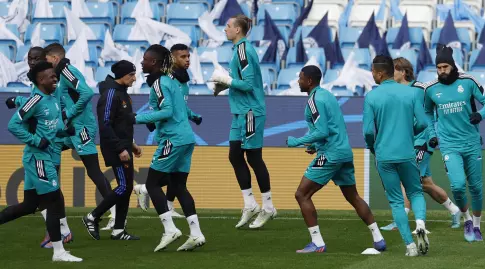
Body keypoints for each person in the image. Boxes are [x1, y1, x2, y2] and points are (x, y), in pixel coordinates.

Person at [286, 65, 386, 253]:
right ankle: (378, 239)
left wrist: (297, 141)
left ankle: (317, 242)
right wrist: (315, 146)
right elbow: (331, 127)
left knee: (302, 194)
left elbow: (322, 130)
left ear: (309, 81)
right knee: (353, 197)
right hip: (344, 152)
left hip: (330, 155)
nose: (298, 81)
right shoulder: (328, 96)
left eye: (300, 78)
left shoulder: (314, 100)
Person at [1, 61, 82, 262]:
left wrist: (64, 132)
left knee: (29, 205)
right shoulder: (35, 100)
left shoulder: (52, 98)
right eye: (51, 76)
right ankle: (59, 252)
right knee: (52, 201)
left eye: (55, 75)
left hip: (42, 157)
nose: (55, 78)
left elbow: (49, 127)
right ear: (40, 80)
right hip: (39, 159)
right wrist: (36, 141)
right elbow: (13, 125)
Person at [132, 44, 205, 251]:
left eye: (145, 59)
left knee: (152, 184)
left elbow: (166, 111)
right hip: (187, 138)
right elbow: (176, 108)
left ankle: (170, 229)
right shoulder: (173, 82)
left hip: (172, 139)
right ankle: (196, 234)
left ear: (153, 62)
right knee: (179, 186)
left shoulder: (159, 83)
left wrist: (136, 118)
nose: (142, 62)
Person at [210, 14, 276, 229]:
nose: (225, 29)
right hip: (240, 112)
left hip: (250, 112)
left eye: (228, 25)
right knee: (234, 155)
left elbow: (248, 84)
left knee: (254, 157)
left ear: (238, 30)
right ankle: (250, 204)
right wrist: (224, 86)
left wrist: (226, 80)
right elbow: (242, 82)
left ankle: (268, 206)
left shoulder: (243, 50)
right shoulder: (238, 51)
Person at [380, 57, 461, 231]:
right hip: (408, 141)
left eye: (393, 70)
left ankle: (401, 220)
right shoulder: (394, 91)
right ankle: (455, 210)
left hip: (423, 140)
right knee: (426, 183)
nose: (390, 74)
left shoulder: (421, 88)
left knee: (407, 179)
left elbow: (436, 104)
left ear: (403, 71)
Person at [43, 43, 116, 229]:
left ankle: (115, 213)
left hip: (81, 127)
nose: (46, 64)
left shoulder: (67, 71)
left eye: (47, 60)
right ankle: (54, 208)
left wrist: (70, 113)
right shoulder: (61, 74)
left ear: (54, 58)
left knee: (93, 171)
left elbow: (87, 92)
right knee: (52, 147)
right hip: (71, 129)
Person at [363, 55, 429, 256]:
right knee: (416, 192)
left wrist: (372, 146)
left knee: (396, 202)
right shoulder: (410, 93)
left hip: (384, 155)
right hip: (407, 153)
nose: (372, 74)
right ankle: (419, 223)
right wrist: (410, 131)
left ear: (380, 73)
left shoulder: (372, 97)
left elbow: (367, 131)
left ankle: (410, 246)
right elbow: (424, 123)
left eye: (373, 71)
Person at [424, 45, 485, 242]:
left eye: (445, 67)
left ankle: (476, 226)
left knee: (476, 187)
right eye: (438, 67)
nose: (442, 71)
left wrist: (480, 114)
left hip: (471, 142)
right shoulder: (431, 89)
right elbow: (426, 112)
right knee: (458, 186)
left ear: (452, 66)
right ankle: (466, 219)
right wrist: (432, 134)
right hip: (449, 144)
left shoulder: (468, 82)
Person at [85, 60, 143, 241]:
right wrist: (120, 148)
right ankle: (92, 217)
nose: (134, 78)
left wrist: (131, 144)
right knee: (125, 186)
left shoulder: (122, 93)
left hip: (123, 146)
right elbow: (105, 125)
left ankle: (118, 230)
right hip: (115, 148)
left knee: (125, 188)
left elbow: (121, 122)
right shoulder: (111, 94)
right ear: (121, 76)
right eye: (131, 75)